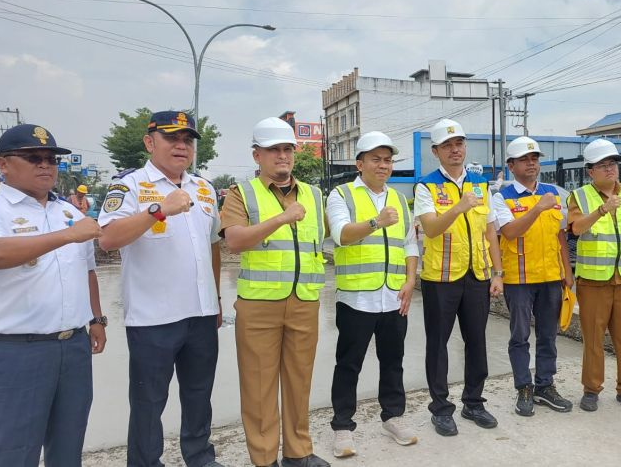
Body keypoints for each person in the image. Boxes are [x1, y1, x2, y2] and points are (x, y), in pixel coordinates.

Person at [97, 111, 224, 467]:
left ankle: (200, 458)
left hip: (201, 314)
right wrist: (158, 210)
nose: (182, 146)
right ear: (150, 142)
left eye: (188, 139)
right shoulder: (130, 186)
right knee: (148, 403)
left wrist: (215, 299)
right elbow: (107, 238)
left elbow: (213, 244)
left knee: (199, 396)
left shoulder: (203, 188)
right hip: (153, 318)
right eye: (172, 138)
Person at [0, 124, 106, 466]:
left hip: (72, 347)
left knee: (68, 445)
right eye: (33, 158)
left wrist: (96, 318)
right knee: (12, 451)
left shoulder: (68, 212)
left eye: (51, 159)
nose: (45, 165)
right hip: (15, 350)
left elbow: (87, 270)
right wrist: (66, 236)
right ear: (3, 164)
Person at [221, 117, 329, 467]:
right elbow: (235, 241)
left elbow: (328, 237)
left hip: (304, 301)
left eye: (287, 149)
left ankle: (298, 453)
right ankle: (264, 459)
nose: (282, 156)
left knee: (299, 382)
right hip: (259, 305)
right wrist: (282, 218)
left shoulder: (314, 194)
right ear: (257, 155)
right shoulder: (241, 193)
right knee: (259, 386)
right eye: (273, 150)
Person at [326, 131, 419, 458]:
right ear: (360, 163)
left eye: (388, 160)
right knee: (348, 364)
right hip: (357, 298)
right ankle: (342, 427)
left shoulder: (399, 200)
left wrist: (410, 280)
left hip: (393, 296)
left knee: (393, 361)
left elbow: (409, 244)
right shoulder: (342, 194)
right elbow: (341, 234)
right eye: (376, 159)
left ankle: (393, 417)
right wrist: (376, 222)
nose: (383, 165)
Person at [414, 118, 503, 437]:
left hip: (477, 275)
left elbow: (490, 230)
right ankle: (440, 409)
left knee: (477, 341)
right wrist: (458, 207)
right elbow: (431, 228)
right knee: (438, 344)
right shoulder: (426, 186)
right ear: (436, 151)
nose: (455, 150)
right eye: (447, 145)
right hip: (441, 278)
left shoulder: (481, 184)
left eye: (459, 144)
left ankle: (474, 402)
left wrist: (498, 273)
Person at [567, 139, 621, 413]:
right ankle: (591, 389)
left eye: (613, 163)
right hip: (593, 281)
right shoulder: (579, 196)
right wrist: (602, 210)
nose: (610, 169)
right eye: (603, 165)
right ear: (590, 171)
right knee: (594, 338)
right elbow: (576, 229)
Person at [492, 136, 574, 417]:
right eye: (524, 159)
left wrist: (567, 272)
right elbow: (509, 232)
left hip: (551, 277)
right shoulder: (502, 197)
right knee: (520, 336)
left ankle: (545, 386)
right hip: (519, 280)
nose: (531, 163)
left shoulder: (552, 193)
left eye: (535, 159)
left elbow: (560, 236)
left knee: (548, 335)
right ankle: (524, 387)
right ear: (511, 166)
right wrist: (538, 208)